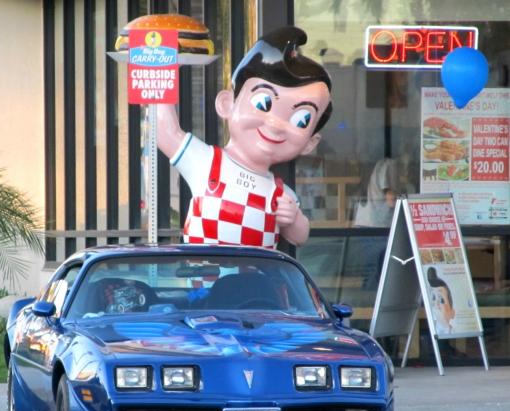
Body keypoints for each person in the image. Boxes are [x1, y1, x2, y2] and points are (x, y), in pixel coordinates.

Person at [157, 26, 332, 248]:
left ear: (310, 143)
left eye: (301, 120)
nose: (275, 125)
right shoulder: (206, 163)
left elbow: (300, 237)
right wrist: (161, 74)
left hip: (255, 271)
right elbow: (164, 132)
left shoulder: (279, 193)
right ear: (226, 104)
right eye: (263, 103)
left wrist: (294, 218)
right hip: (204, 267)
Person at [354, 157, 398, 228]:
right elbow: (391, 200)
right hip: (380, 225)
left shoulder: (373, 166)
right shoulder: (389, 164)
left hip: (363, 220)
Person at [427, 266, 456, 334]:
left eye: (442, 300)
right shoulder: (432, 329)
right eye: (433, 298)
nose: (436, 303)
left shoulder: (454, 332)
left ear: (452, 313)